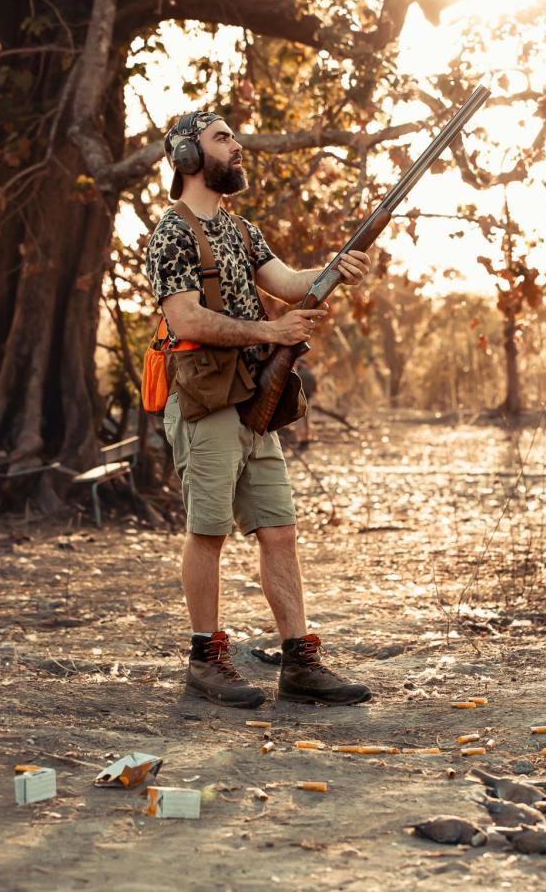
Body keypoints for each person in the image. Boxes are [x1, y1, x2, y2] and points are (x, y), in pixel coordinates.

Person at [145, 110, 372, 709]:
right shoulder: (172, 231)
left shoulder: (242, 231)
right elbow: (187, 319)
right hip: (205, 399)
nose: (238, 145)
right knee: (209, 531)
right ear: (189, 157)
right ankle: (205, 658)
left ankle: (299, 663)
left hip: (253, 399)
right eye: (223, 137)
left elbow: (293, 284)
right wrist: (272, 333)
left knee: (279, 530)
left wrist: (336, 268)